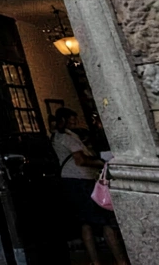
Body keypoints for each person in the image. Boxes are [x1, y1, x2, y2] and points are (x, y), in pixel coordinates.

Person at [52, 108, 130, 265]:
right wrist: (102, 162)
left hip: (70, 181)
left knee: (85, 222)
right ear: (64, 121)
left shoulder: (56, 137)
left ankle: (95, 262)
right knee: (105, 221)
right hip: (81, 180)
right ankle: (121, 261)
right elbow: (81, 160)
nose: (75, 123)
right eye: (72, 120)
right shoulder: (69, 138)